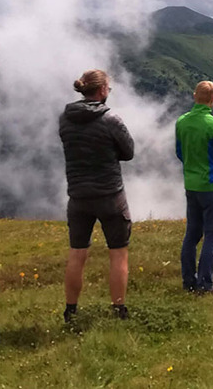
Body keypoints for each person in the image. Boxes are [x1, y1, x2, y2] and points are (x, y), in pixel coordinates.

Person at [58, 69, 135, 322]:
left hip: (78, 196)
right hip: (110, 194)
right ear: (102, 90)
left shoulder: (65, 119)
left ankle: (70, 310)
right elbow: (128, 152)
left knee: (77, 253)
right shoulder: (111, 120)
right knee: (118, 252)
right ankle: (118, 310)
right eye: (108, 89)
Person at [176, 81, 213, 293]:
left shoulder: (182, 122)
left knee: (191, 234)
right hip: (211, 185)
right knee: (211, 234)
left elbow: (180, 152)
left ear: (195, 96)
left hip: (191, 185)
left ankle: (188, 282)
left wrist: (192, 168)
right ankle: (205, 284)